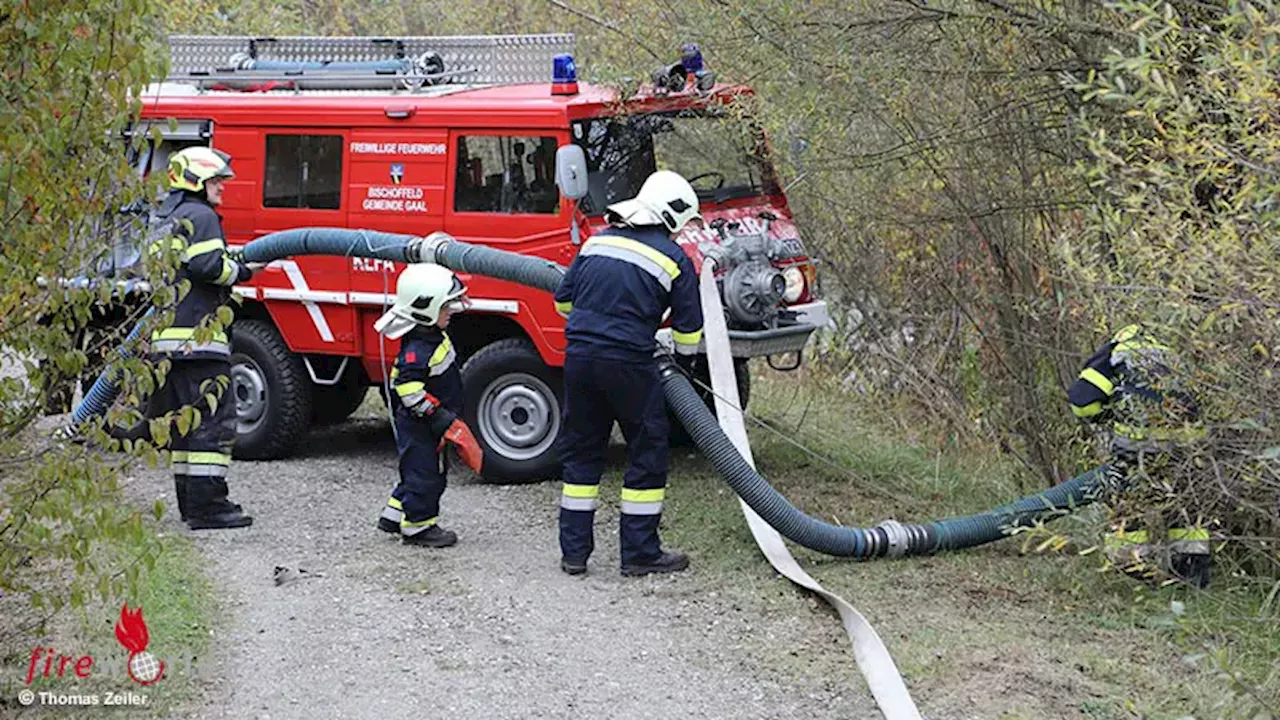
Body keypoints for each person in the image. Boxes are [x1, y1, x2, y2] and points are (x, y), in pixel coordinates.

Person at [552, 170, 706, 577]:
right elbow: (689, 330)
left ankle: (574, 554)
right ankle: (639, 553)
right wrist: (682, 367)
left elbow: (563, 304)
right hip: (629, 364)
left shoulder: (596, 240)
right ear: (672, 215)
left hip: (580, 359)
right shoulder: (674, 259)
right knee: (646, 449)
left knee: (582, 454)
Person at [147, 147, 261, 530]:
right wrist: (242, 270)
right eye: (215, 181)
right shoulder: (202, 215)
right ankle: (210, 508)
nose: (222, 189)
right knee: (212, 425)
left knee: (186, 427)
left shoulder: (165, 219)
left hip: (166, 346)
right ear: (194, 181)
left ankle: (192, 507)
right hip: (199, 342)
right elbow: (209, 266)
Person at [1068, 323, 1212, 587]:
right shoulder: (1179, 351)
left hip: (1136, 447)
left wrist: (1111, 416)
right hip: (1187, 448)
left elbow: (1082, 401)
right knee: (1184, 508)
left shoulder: (1115, 353)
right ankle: (1193, 579)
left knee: (1128, 505)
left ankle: (1134, 574)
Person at [373, 263, 484, 547]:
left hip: (423, 426)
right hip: (421, 426)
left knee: (413, 470)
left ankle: (393, 515)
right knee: (426, 476)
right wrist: (438, 417)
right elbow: (407, 389)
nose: (452, 311)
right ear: (426, 308)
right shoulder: (419, 350)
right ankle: (418, 527)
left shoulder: (429, 336)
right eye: (446, 306)